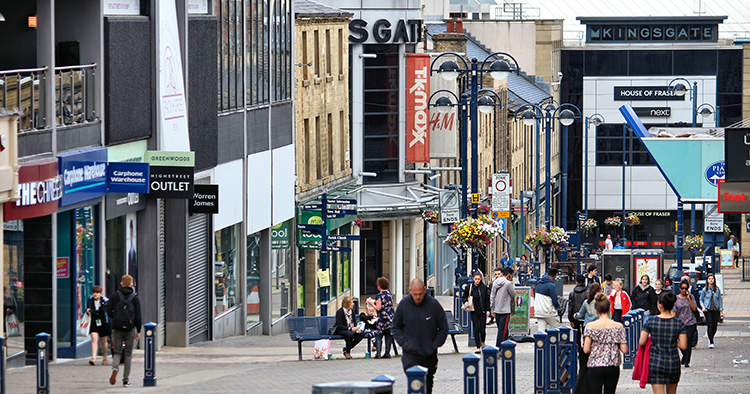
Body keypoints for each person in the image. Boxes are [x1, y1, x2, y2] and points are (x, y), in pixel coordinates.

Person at [392, 278, 449, 394]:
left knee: (427, 387)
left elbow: (443, 328)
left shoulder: (433, 305)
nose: (418, 297)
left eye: (420, 294)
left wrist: (434, 345)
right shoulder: (404, 305)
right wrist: (404, 343)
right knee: (414, 386)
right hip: (410, 355)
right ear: (410, 291)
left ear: (424, 290)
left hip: (429, 355)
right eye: (415, 294)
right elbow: (395, 327)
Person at [639, 292, 687, 394]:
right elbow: (683, 345)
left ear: (660, 305)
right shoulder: (679, 323)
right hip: (672, 362)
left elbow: (642, 342)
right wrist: (673, 340)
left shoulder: (651, 321)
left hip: (655, 362)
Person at [583, 293, 628, 394]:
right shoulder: (618, 326)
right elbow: (624, 349)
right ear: (609, 309)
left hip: (595, 365)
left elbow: (586, 349)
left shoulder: (590, 326)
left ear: (596, 311)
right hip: (612, 364)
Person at [105, 275, 142, 387]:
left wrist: (115, 318)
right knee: (128, 354)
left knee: (117, 352)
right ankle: (126, 380)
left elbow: (107, 309)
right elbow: (138, 316)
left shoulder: (115, 295)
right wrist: (138, 330)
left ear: (121, 283)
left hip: (117, 328)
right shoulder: (135, 297)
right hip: (130, 328)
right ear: (132, 284)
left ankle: (115, 368)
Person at [573, 282, 603, 394]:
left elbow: (580, 314)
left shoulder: (587, 302)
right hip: (599, 328)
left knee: (586, 349)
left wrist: (575, 316)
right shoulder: (601, 302)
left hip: (588, 328)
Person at [463, 270, 490, 353]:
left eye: (478, 279)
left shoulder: (484, 288)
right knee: (476, 328)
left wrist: (488, 310)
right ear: (473, 279)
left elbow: (487, 299)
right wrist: (465, 302)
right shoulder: (470, 287)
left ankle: (483, 342)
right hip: (474, 310)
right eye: (476, 279)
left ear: (481, 279)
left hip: (482, 311)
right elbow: (464, 297)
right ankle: (478, 346)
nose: (477, 280)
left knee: (482, 329)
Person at [673, 279, 698, 367]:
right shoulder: (676, 299)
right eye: (682, 288)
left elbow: (694, 308)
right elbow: (674, 311)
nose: (684, 290)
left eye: (686, 288)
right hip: (680, 323)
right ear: (679, 288)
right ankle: (684, 355)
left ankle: (687, 361)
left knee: (688, 342)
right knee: (680, 342)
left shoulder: (691, 297)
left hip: (690, 322)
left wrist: (689, 299)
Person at [369, 277, 395, 358]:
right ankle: (387, 352)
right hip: (390, 317)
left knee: (379, 334)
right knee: (388, 334)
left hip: (382, 317)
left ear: (379, 286)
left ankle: (378, 353)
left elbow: (378, 308)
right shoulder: (389, 294)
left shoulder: (379, 296)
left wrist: (371, 303)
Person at [490, 267, 516, 345]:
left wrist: (492, 309)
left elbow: (492, 296)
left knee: (500, 329)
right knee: (503, 331)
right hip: (505, 310)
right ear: (508, 274)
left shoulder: (495, 282)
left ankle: (504, 346)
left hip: (497, 309)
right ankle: (499, 347)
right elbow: (513, 294)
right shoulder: (508, 283)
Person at [86, 286, 110, 366]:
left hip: (103, 322)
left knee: (103, 341)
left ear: (101, 293)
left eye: (97, 293)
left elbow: (108, 312)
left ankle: (105, 357)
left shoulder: (105, 301)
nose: (95, 294)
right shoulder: (90, 300)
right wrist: (88, 311)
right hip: (94, 321)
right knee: (94, 338)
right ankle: (93, 358)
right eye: (94, 293)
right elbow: (88, 308)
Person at [700, 274, 723, 349]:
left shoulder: (717, 289)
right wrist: (703, 306)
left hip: (715, 309)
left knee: (714, 326)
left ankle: (711, 336)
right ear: (707, 280)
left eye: (712, 279)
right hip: (708, 309)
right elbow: (701, 299)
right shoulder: (705, 290)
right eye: (709, 279)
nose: (711, 280)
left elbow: (720, 300)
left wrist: (721, 310)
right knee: (710, 325)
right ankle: (711, 341)